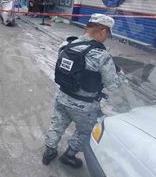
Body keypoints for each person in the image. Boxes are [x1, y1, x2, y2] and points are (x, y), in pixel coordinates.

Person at [42, 14, 125, 168]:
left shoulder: (67, 44)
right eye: (108, 34)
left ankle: (49, 151)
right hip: (84, 105)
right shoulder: (101, 55)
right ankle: (69, 155)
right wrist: (121, 73)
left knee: (57, 124)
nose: (107, 38)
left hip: (62, 96)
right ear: (102, 31)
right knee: (85, 131)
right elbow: (113, 85)